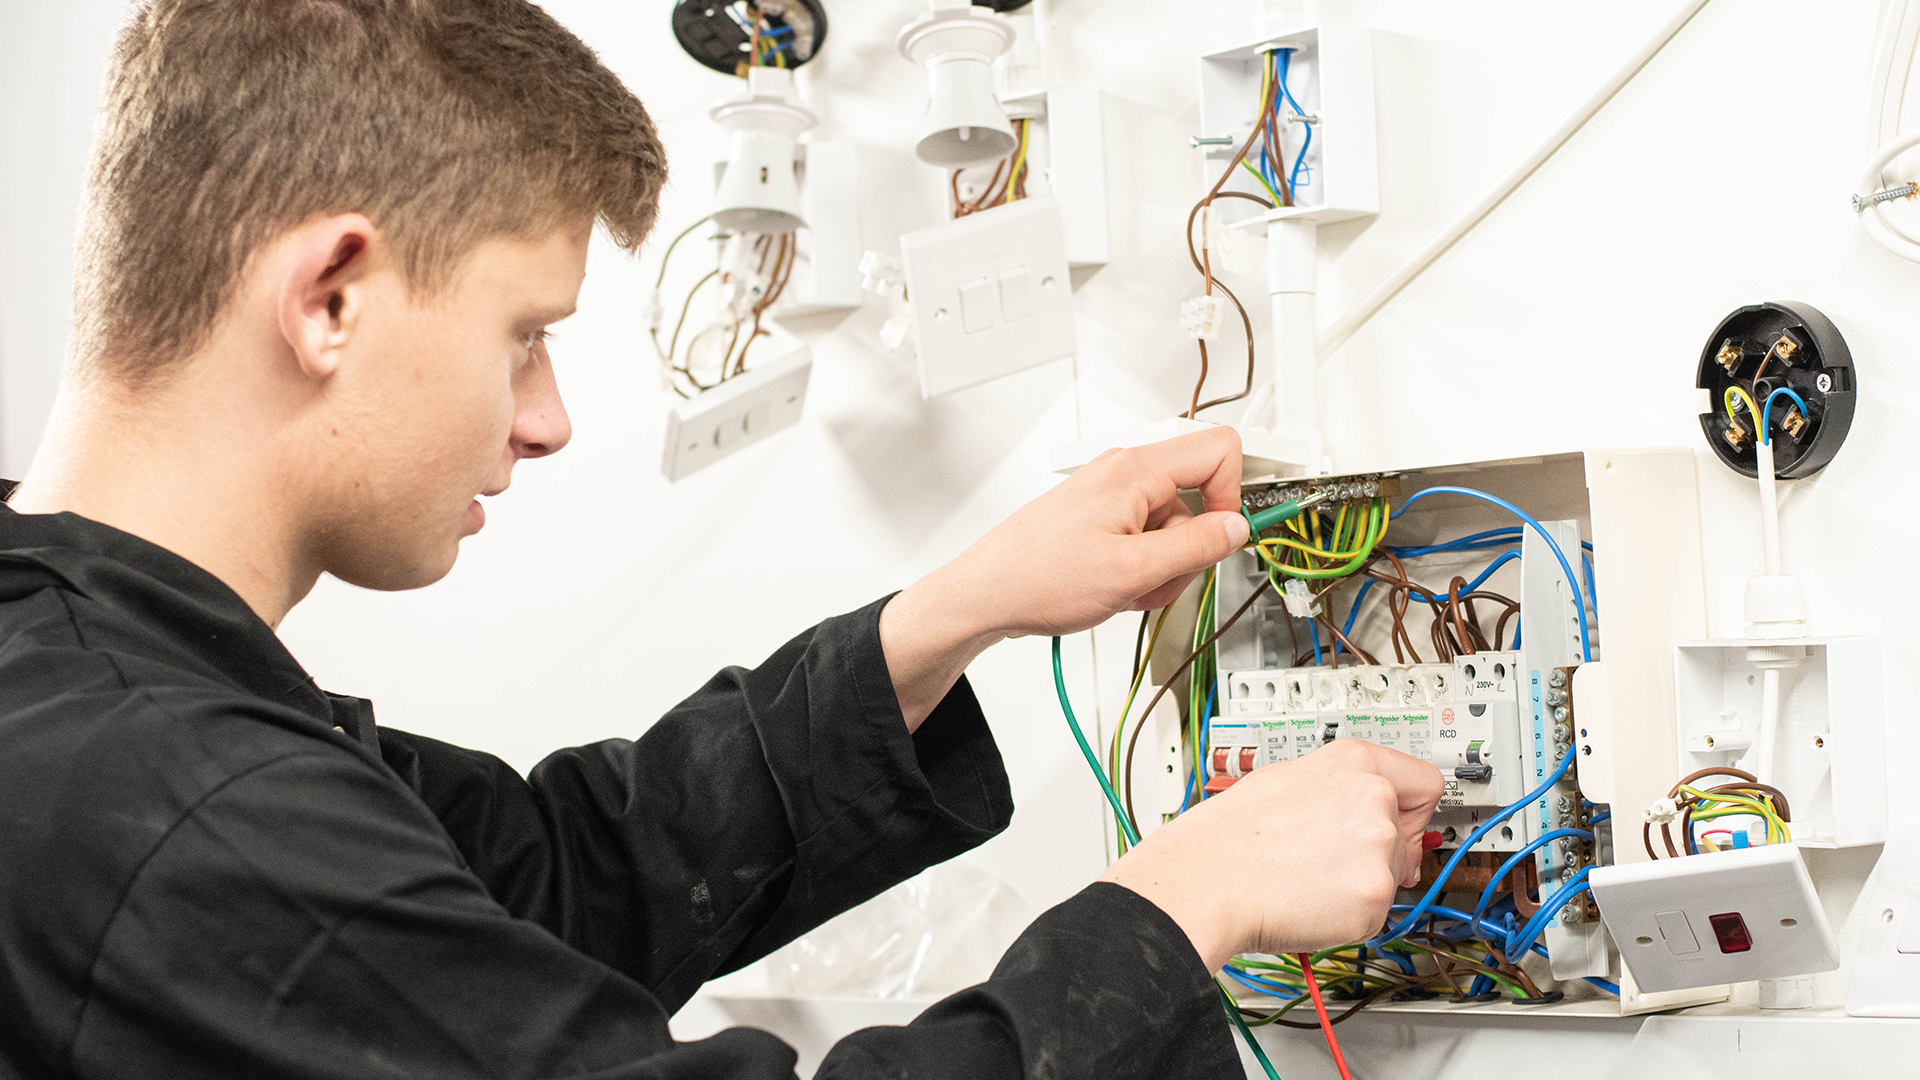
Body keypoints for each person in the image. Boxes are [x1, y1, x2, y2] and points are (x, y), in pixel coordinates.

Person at [0, 2, 1444, 1077]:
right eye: (524, 338)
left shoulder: (91, 689)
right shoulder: (171, 800)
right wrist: (1184, 901)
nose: (547, 417)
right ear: (330, 298)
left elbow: (557, 887)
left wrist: (947, 618)